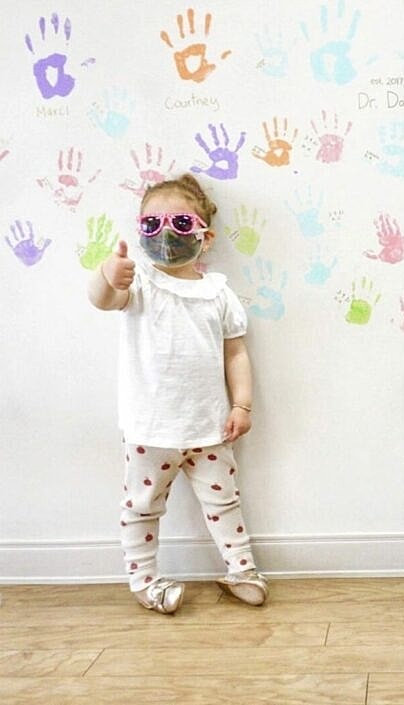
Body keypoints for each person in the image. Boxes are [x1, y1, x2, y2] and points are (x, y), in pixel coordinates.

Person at [88, 173, 269, 615]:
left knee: (224, 501)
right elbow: (103, 300)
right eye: (150, 224)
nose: (164, 233)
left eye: (180, 223)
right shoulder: (140, 286)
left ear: (205, 238)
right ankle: (143, 581)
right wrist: (107, 274)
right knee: (142, 507)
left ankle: (241, 569)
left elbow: (236, 355)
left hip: (210, 428)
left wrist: (242, 404)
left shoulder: (218, 294)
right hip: (150, 429)